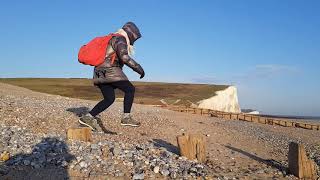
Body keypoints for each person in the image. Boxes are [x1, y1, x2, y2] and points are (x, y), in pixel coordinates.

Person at [79, 22, 145, 131]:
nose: (134, 41)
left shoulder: (111, 38)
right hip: (110, 71)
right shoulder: (120, 39)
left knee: (109, 99)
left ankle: (87, 117)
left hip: (99, 72)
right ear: (131, 34)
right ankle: (126, 117)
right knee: (130, 89)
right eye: (135, 38)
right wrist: (139, 69)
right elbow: (124, 57)